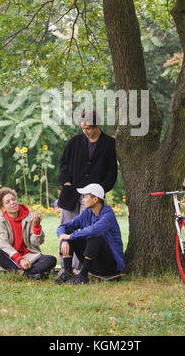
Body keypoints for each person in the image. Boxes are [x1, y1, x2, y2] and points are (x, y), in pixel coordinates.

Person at [57, 110, 118, 270]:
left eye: (89, 128)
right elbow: (63, 164)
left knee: (87, 230)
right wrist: (67, 183)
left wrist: (99, 191)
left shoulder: (109, 144)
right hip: (70, 193)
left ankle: (82, 266)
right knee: (67, 226)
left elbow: (112, 172)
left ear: (97, 125)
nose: (85, 131)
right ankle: (66, 266)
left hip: (93, 196)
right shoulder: (74, 142)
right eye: (83, 128)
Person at [55, 183, 125, 285]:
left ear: (95, 199)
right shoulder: (87, 213)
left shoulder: (108, 214)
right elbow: (63, 227)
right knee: (68, 233)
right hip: (93, 264)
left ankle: (83, 275)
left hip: (110, 266)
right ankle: (68, 273)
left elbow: (94, 230)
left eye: (85, 197)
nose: (82, 200)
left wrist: (70, 236)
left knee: (94, 237)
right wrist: (65, 239)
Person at [0, 187, 56, 279]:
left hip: (30, 256)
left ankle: (19, 273)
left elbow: (36, 242)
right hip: (12, 256)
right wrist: (20, 259)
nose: (13, 202)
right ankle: (29, 274)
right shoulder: (1, 221)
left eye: (13, 199)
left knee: (51, 260)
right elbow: (3, 244)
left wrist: (36, 226)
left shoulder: (29, 216)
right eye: (8, 202)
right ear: (3, 208)